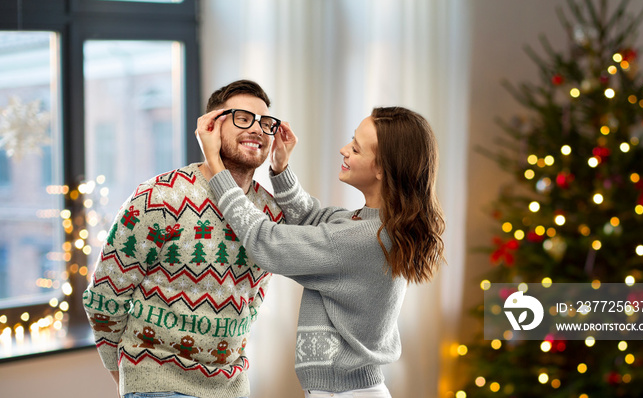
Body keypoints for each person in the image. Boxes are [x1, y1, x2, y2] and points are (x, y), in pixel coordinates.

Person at [196, 106, 446, 397]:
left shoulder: (364, 238)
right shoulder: (371, 225)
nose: (344, 150)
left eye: (355, 148)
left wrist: (215, 165)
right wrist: (280, 169)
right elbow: (312, 218)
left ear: (382, 169)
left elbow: (267, 243)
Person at [83, 79, 285, 398]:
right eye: (243, 118)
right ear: (211, 127)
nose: (257, 128)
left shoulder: (269, 212)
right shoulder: (159, 197)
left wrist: (281, 171)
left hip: (232, 387)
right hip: (158, 384)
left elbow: (257, 297)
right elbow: (106, 296)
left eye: (265, 122)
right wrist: (127, 378)